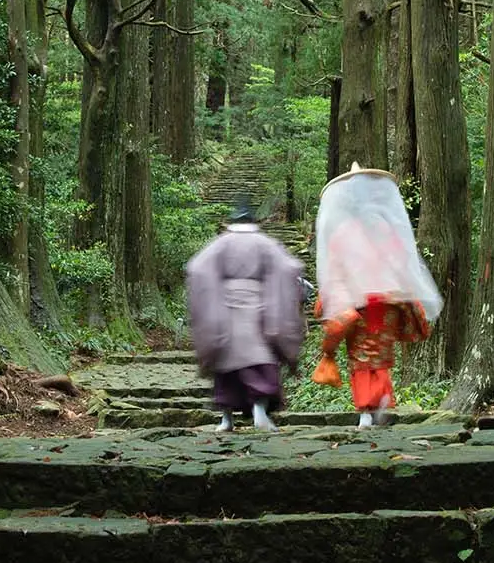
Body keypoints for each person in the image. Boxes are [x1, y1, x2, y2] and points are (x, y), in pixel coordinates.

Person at [311, 165, 443, 427]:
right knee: (380, 356)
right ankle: (381, 399)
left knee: (361, 358)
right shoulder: (385, 228)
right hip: (387, 303)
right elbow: (400, 261)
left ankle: (365, 412)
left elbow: (336, 270)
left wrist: (328, 301)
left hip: (357, 305)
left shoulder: (343, 232)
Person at [185, 202, 307, 431]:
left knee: (227, 370)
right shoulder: (264, 243)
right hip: (258, 310)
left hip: (225, 312)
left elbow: (198, 267)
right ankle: (259, 411)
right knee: (259, 363)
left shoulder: (221, 243)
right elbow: (288, 267)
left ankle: (226, 419)